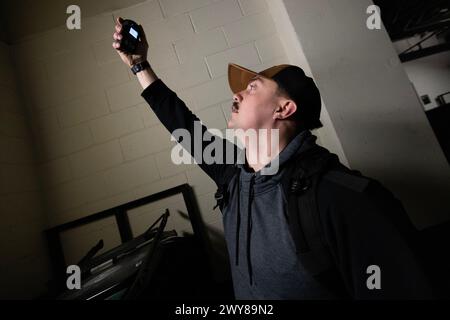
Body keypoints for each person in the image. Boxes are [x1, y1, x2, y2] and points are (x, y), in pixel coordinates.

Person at [112, 17, 433, 299]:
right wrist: (139, 65)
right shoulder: (234, 177)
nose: (235, 95)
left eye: (252, 88)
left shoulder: (345, 198)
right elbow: (183, 125)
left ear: (284, 108)